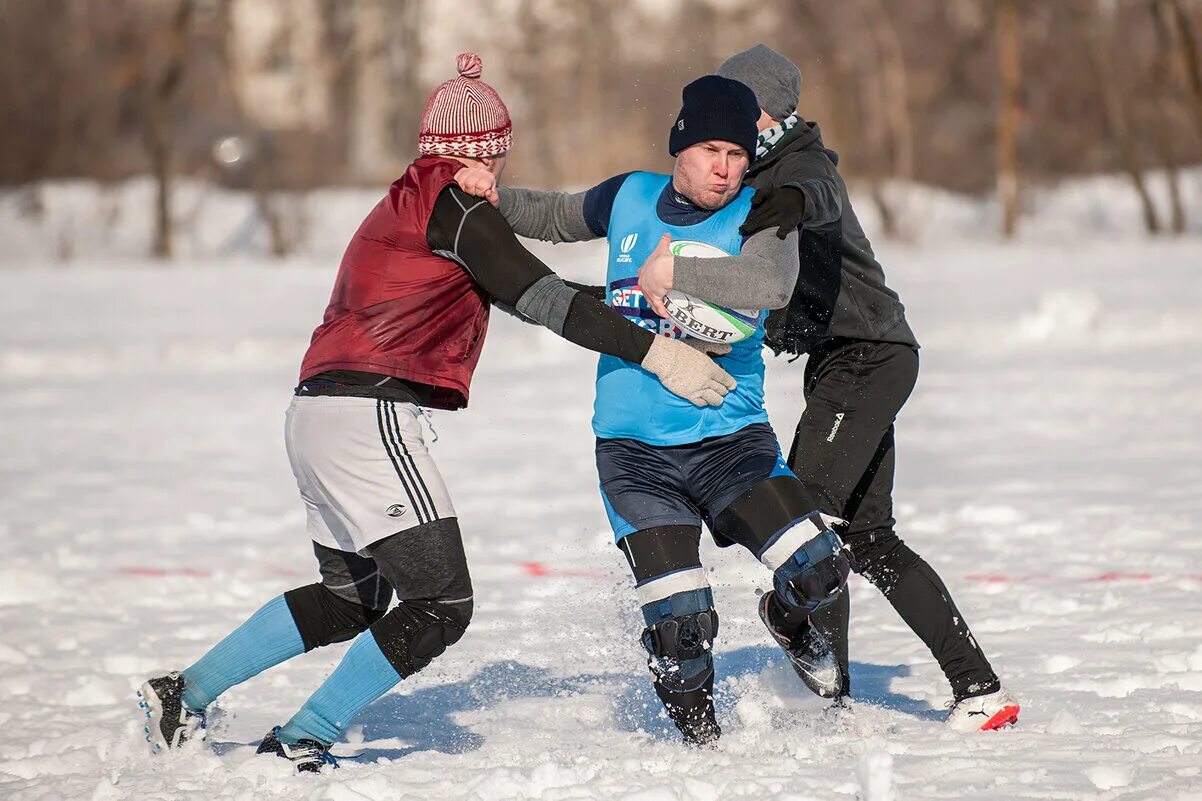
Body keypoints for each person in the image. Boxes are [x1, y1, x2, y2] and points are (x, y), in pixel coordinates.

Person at [136, 53, 741, 774]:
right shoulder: (458, 210)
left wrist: (640, 305)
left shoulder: (412, 200)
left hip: (318, 414)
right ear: (476, 152)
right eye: (495, 155)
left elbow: (527, 292)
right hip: (370, 417)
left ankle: (184, 692)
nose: (498, 172)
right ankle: (307, 732)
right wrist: (658, 353)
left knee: (348, 599)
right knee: (442, 602)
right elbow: (544, 298)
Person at [455, 74, 852, 745]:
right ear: (680, 147)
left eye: (736, 154)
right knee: (681, 627)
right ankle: (703, 752)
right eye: (710, 152)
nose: (725, 169)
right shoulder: (630, 195)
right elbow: (555, 216)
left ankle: (786, 621)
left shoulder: (763, 209)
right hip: (635, 453)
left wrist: (678, 276)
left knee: (818, 566)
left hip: (730, 442)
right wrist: (494, 195)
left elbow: (772, 283)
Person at [641, 44, 1019, 731]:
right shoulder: (746, 166)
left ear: (769, 113)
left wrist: (788, 198)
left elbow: (816, 190)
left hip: (867, 356)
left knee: (804, 518)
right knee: (866, 538)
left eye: (738, 105)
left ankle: (797, 634)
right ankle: (975, 689)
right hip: (849, 360)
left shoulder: (799, 164)